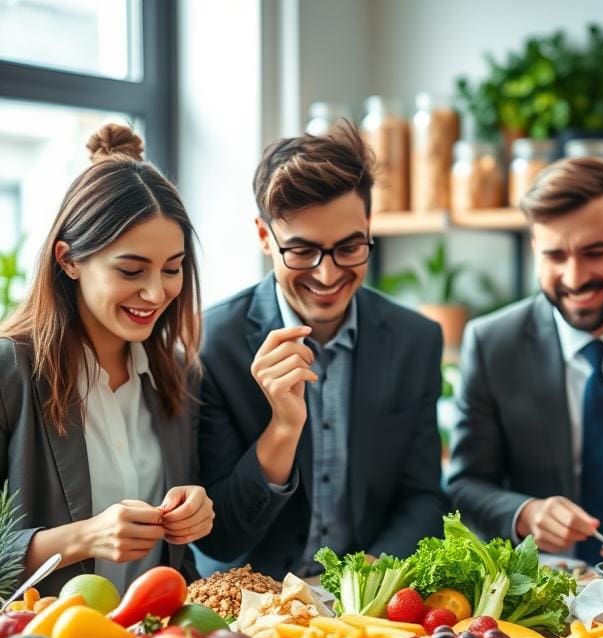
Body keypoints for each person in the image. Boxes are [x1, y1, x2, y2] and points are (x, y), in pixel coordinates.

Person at [196, 121, 446, 578]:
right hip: (249, 603)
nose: (327, 276)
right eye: (302, 251)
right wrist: (283, 430)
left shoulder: (416, 341)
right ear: (263, 237)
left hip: (368, 602)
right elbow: (221, 535)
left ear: (369, 228)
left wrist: (376, 574)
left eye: (349, 247)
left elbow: (424, 496)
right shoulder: (211, 345)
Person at [0, 124, 213, 594]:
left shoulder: (177, 372)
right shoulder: (10, 371)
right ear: (68, 259)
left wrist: (195, 510)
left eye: (172, 269)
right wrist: (86, 536)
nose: (157, 292)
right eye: (131, 270)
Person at [447, 157, 603, 564]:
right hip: (542, 588)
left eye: (594, 252)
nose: (575, 277)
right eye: (554, 256)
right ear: (535, 251)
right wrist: (526, 513)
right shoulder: (491, 343)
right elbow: (464, 484)